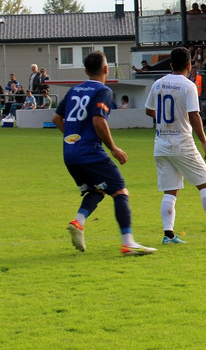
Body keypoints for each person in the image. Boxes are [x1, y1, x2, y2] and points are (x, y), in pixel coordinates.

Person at [55, 51, 156, 256]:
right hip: (90, 152)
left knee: (96, 191)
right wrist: (113, 148)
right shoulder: (103, 91)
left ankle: (78, 222)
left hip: (70, 153)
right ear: (106, 69)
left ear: (85, 70)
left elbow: (57, 118)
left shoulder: (74, 90)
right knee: (120, 191)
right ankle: (128, 242)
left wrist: (74, 136)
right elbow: (98, 120)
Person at [144, 47, 206, 244]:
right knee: (205, 184)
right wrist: (205, 143)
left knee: (170, 191)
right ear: (189, 65)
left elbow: (149, 110)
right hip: (182, 144)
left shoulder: (158, 84)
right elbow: (194, 115)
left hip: (161, 145)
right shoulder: (188, 86)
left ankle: (168, 235)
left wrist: (165, 119)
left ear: (170, 64)